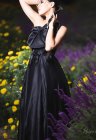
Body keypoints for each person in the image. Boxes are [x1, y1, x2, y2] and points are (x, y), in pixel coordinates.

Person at [17, 0, 71, 139]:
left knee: (47, 105)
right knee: (33, 104)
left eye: (42, 3)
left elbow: (48, 47)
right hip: (33, 70)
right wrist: (39, 0)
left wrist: (51, 25)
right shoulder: (37, 20)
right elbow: (22, 0)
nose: (37, 5)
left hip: (48, 70)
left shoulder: (62, 28)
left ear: (52, 4)